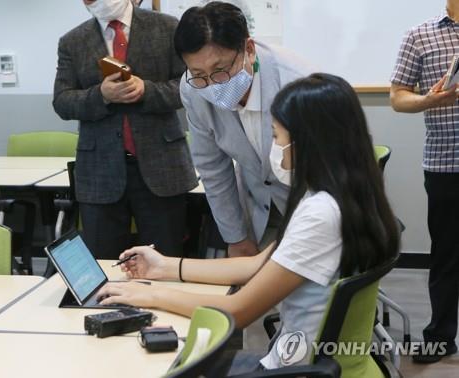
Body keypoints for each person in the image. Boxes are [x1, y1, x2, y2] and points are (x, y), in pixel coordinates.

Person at [97, 73, 400, 372]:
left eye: (277, 135)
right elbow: (257, 265)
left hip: (292, 368)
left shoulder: (321, 213)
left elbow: (237, 311)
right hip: (317, 362)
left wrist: (150, 295)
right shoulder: (348, 196)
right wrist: (165, 266)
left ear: (307, 142)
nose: (275, 145)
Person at [53, 0, 197, 259]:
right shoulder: (72, 41)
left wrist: (147, 90)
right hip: (99, 172)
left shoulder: (167, 28)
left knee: (166, 260)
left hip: (162, 167)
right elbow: (62, 102)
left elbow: (190, 86)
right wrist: (102, 95)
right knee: (104, 264)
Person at [173, 2, 310, 257]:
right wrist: (235, 236)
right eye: (199, 73)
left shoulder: (297, 84)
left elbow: (329, 173)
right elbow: (212, 167)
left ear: (248, 49)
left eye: (220, 70)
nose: (212, 85)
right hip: (260, 206)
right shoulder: (193, 89)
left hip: (312, 204)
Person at [390, 0, 459, 364]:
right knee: (447, 255)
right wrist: (428, 100)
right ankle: (441, 337)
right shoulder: (420, 35)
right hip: (446, 164)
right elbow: (398, 98)